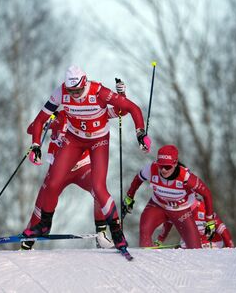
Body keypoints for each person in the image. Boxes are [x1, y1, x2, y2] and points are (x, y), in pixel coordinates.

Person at [22, 65, 150, 253]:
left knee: (99, 189)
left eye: (79, 90)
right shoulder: (60, 102)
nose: (75, 95)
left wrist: (140, 133)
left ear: (85, 83)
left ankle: (113, 233)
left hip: (92, 149)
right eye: (71, 91)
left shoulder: (97, 92)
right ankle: (39, 230)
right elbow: (36, 124)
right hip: (73, 143)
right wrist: (36, 145)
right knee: (50, 187)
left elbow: (124, 110)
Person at [122, 145, 216, 249]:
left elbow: (207, 194)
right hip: (157, 206)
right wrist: (129, 197)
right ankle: (145, 260)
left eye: (167, 167)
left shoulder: (185, 177)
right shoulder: (151, 168)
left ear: (175, 163)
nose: (163, 170)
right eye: (161, 165)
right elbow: (137, 179)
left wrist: (209, 221)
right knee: (145, 229)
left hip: (180, 210)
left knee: (195, 247)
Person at [154, 194, 234, 248]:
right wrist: (158, 242)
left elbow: (221, 228)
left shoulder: (203, 208)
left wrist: (230, 247)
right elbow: (168, 224)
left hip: (211, 243)